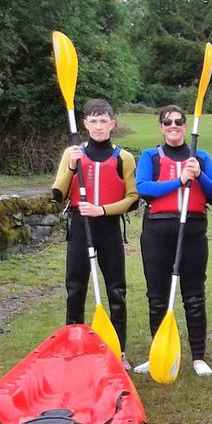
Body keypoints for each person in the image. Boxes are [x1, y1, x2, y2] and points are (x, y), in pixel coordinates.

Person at [134, 105, 212, 377]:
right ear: (161, 127)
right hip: (157, 231)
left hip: (193, 231)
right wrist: (178, 180)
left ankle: (198, 356)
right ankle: (158, 352)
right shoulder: (150, 156)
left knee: (194, 295)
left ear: (185, 126)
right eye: (167, 122)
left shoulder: (200, 157)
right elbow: (143, 188)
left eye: (178, 122)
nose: (173, 126)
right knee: (157, 297)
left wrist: (199, 175)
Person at [51, 99, 138, 370]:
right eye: (93, 121)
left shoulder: (124, 157)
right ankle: (73, 345)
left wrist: (102, 209)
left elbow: (133, 198)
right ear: (85, 124)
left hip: (108, 226)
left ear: (112, 124)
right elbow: (57, 194)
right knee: (75, 288)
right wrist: (71, 167)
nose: (99, 126)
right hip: (80, 226)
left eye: (104, 121)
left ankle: (118, 350)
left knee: (116, 290)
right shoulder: (72, 153)